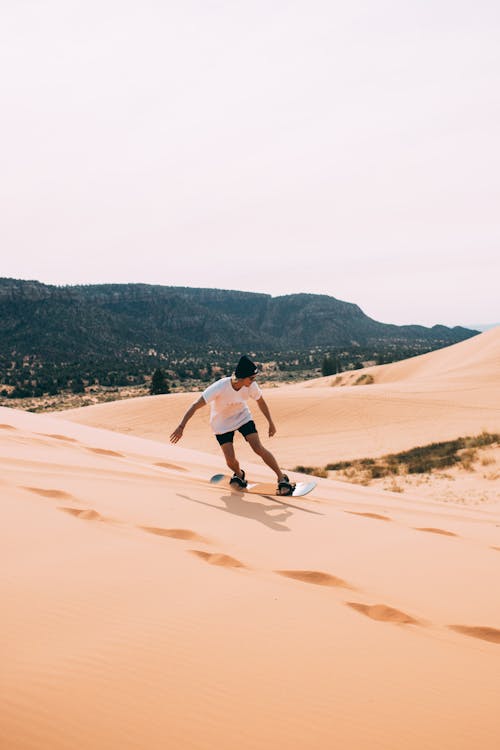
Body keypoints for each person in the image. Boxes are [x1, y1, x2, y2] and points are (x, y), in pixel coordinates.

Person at [169, 355, 295, 495]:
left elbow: (261, 402)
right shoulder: (220, 387)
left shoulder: (251, 386)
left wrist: (271, 422)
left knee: (258, 448)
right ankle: (239, 474)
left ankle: (281, 478)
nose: (254, 381)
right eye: (251, 378)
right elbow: (195, 405)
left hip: (242, 417)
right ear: (242, 377)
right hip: (221, 424)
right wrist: (181, 427)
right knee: (230, 459)